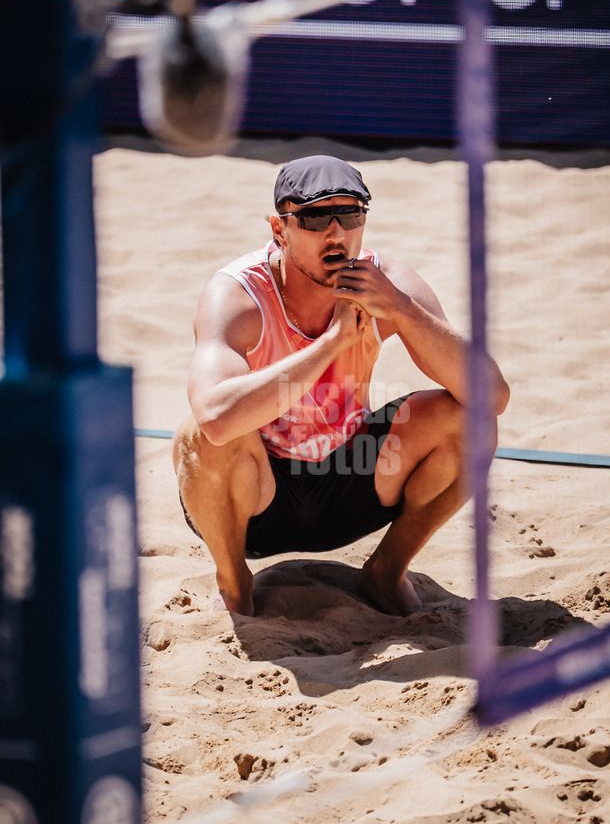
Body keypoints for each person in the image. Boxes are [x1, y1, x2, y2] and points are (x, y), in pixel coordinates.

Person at [173, 155, 509, 616]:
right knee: (197, 433)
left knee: (471, 421)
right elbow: (214, 419)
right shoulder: (237, 293)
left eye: (349, 214)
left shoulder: (386, 283)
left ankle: (385, 573)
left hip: (350, 477)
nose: (335, 233)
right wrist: (331, 344)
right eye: (313, 217)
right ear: (279, 229)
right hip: (256, 500)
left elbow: (494, 397)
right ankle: (235, 585)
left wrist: (403, 310)